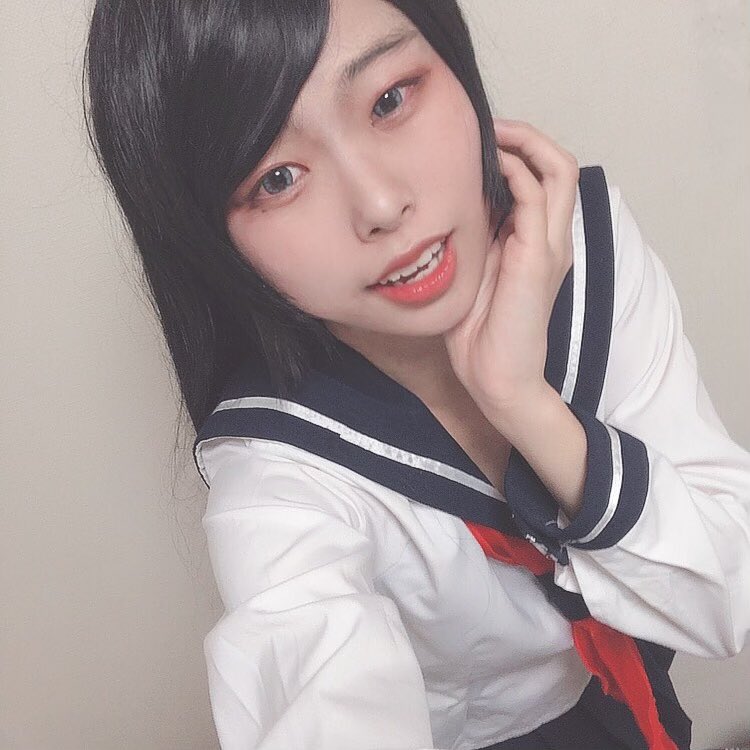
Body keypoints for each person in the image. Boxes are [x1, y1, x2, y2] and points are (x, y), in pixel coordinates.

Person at [82, 0, 750, 748]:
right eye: (278, 178)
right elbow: (319, 681)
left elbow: (727, 597)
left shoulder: (580, 249)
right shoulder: (278, 472)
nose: (379, 204)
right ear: (210, 238)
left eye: (390, 100)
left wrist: (522, 403)